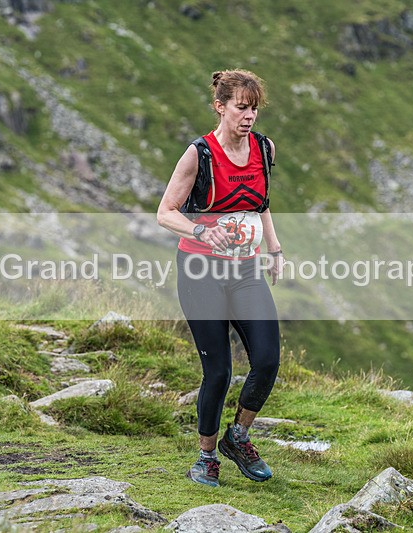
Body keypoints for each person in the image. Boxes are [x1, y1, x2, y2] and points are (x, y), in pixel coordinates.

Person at [157, 69, 284, 487]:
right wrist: (199, 229)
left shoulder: (263, 149)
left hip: (246, 269)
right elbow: (165, 212)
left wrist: (274, 249)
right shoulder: (200, 154)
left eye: (254, 109)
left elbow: (261, 202)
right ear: (221, 106)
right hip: (201, 272)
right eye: (241, 107)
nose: (249, 116)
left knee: (267, 360)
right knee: (219, 372)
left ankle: (239, 436)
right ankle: (206, 456)